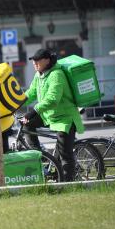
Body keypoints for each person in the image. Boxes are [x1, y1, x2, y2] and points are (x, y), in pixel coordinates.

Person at [22, 49, 85, 182]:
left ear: (47, 60)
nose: (34, 63)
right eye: (33, 61)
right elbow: (30, 93)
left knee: (65, 154)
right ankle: (41, 157)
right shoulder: (39, 75)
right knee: (26, 124)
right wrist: (14, 103)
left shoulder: (57, 74)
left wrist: (33, 111)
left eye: (37, 60)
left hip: (65, 118)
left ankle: (68, 183)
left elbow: (52, 99)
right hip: (50, 115)